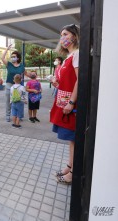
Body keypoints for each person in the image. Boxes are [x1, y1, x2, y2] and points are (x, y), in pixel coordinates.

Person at [50, 24, 80, 185]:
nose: (62, 38)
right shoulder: (69, 57)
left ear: (74, 36)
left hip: (71, 105)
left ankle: (74, 173)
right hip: (64, 103)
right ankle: (70, 166)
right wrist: (57, 83)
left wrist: (71, 102)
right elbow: (68, 81)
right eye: (61, 34)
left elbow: (79, 81)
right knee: (71, 140)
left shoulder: (77, 55)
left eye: (66, 34)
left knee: (74, 139)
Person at [1, 45, 31, 122]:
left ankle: (19, 116)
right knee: (9, 101)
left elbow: (26, 73)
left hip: (18, 86)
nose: (12, 58)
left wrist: (33, 77)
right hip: (9, 85)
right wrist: (7, 49)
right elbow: (2, 58)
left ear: (18, 58)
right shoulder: (9, 64)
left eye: (14, 56)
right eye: (11, 57)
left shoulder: (21, 66)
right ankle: (8, 115)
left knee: (19, 101)